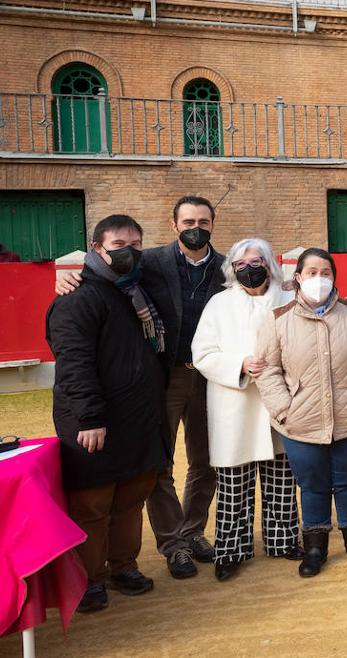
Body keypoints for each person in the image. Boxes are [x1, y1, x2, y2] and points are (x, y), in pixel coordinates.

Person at [55, 196, 224, 578]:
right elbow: (100, 276)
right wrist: (64, 277)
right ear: (174, 223)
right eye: (188, 220)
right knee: (157, 464)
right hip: (164, 376)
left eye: (203, 220)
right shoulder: (149, 263)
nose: (195, 226)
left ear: (213, 223)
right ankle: (174, 543)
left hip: (212, 376)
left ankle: (194, 530)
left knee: (206, 460)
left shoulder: (228, 267)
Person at [46, 215, 170, 613]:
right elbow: (74, 364)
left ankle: (123, 567)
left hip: (137, 420)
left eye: (136, 244)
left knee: (130, 501)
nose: (129, 251)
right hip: (95, 423)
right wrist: (89, 417)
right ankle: (88, 579)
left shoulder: (136, 290)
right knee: (92, 508)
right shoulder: (78, 296)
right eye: (119, 244)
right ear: (97, 248)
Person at [254, 248, 347, 577]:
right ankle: (315, 548)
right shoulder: (278, 319)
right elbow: (267, 368)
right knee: (312, 484)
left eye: (325, 272)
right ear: (297, 277)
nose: (319, 278)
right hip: (300, 420)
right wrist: (284, 408)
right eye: (311, 272)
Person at [191, 239, 302, 582]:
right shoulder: (219, 304)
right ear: (232, 270)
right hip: (234, 404)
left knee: (282, 477)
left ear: (269, 264)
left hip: (279, 402)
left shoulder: (289, 300)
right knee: (233, 484)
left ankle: (282, 540)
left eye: (256, 262)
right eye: (240, 264)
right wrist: (239, 363)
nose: (249, 269)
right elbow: (203, 354)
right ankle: (232, 548)